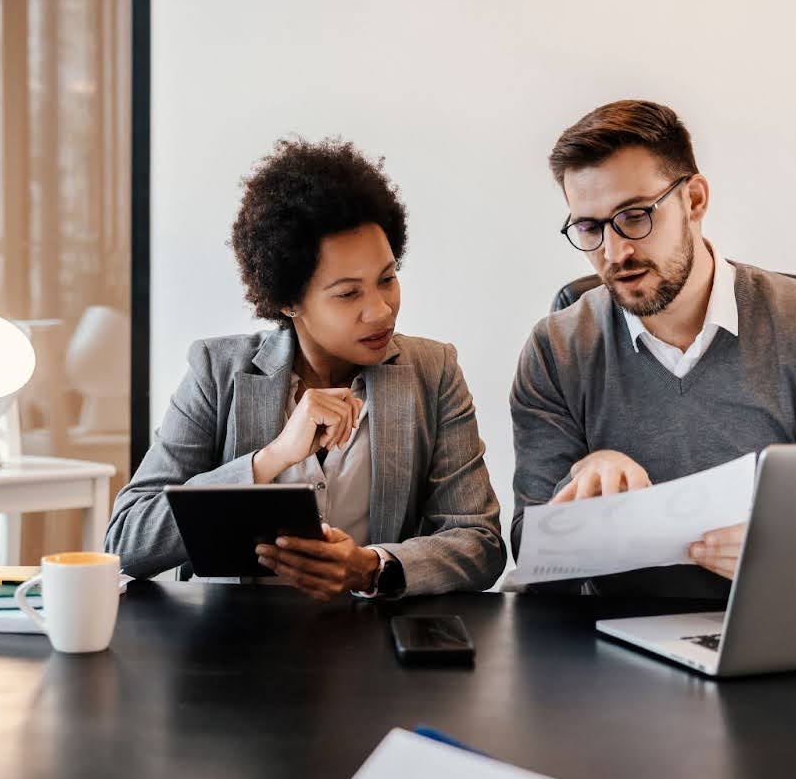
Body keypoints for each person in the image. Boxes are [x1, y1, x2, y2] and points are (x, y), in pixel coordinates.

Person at [511, 99, 796, 598]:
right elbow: (532, 552)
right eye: (589, 227)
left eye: (634, 216)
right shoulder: (556, 349)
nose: (614, 251)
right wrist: (586, 483)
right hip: (608, 638)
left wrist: (786, 553)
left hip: (772, 624)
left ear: (694, 200)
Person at [106, 137, 506, 599]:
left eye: (387, 279)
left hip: (371, 643)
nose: (380, 311)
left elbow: (481, 543)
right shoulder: (218, 371)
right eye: (347, 293)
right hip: (230, 645)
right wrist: (270, 458)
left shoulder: (432, 372)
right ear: (287, 300)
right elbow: (126, 543)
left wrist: (370, 568)